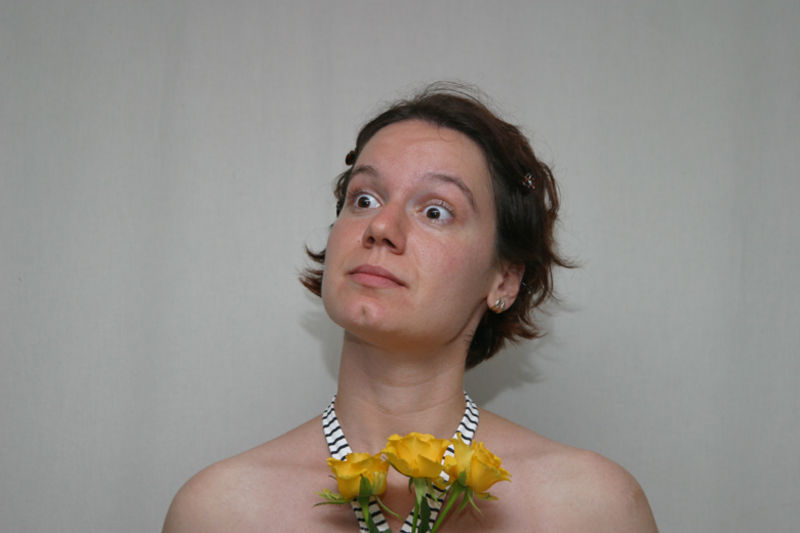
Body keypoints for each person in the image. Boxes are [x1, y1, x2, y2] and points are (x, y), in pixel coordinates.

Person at [163, 84, 658, 532]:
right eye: (364, 199)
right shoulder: (218, 512)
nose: (380, 226)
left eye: (435, 211)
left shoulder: (593, 509)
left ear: (504, 279)